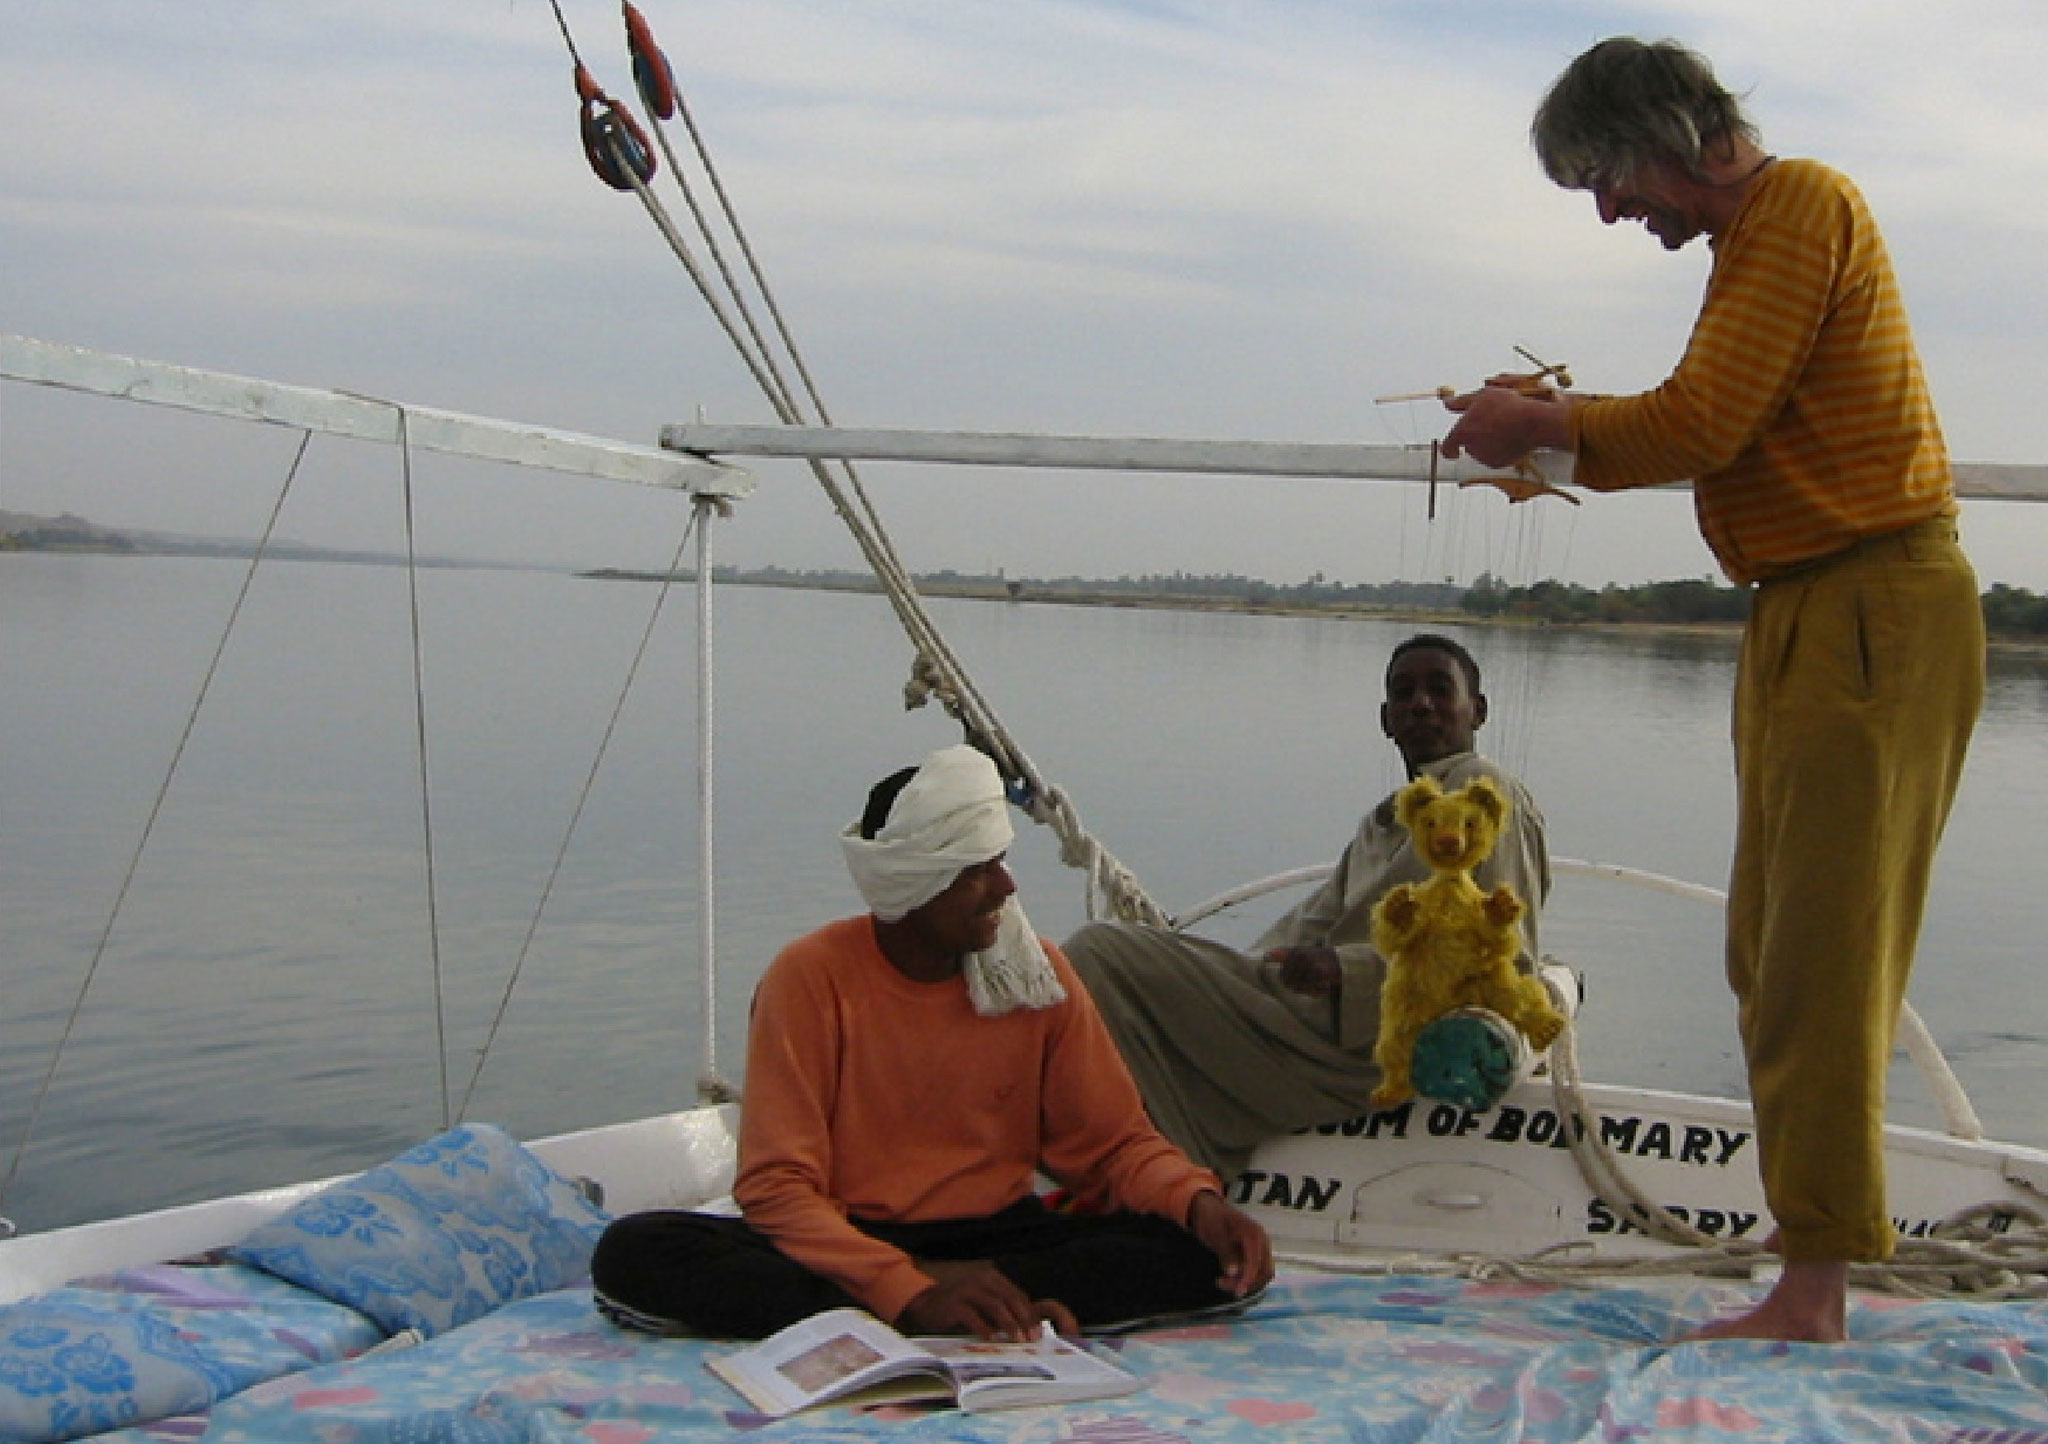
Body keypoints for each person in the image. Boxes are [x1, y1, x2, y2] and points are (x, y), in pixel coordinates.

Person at [1440, 38, 1985, 1343]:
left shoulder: (1802, 206)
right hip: (1812, 612)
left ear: (1669, 134)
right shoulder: (1760, 246)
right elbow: (1721, 415)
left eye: (1607, 180)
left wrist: (1543, 426)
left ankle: (1814, 1289)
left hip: (1873, 609)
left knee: (1819, 961)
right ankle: (1818, 1258)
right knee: (1768, 949)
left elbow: (1701, 423)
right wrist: (1558, 420)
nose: (1614, 212)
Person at [590, 743, 1274, 1342]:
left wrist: (1200, 1203)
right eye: (978, 869)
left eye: (999, 861)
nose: (1005, 887)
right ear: (910, 880)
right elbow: (777, 1189)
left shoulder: (1035, 975)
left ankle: (961, 1303)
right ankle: (933, 1306)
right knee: (636, 1250)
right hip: (850, 1238)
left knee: (1199, 1255)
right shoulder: (809, 978)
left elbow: (1114, 1145)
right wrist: (911, 1286)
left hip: (1001, 1238)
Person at [1063, 634, 1550, 1180]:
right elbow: (1308, 924)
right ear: (1386, 719)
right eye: (1404, 693)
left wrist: (1345, 969)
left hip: (1370, 1043)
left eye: (1440, 690)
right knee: (1126, 984)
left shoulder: (1485, 794)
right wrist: (1233, 978)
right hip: (1308, 1018)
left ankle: (1167, 1163)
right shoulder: (1386, 822)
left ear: (1476, 710)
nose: (1421, 704)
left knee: (1098, 953)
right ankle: (1160, 1156)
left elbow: (1501, 959)